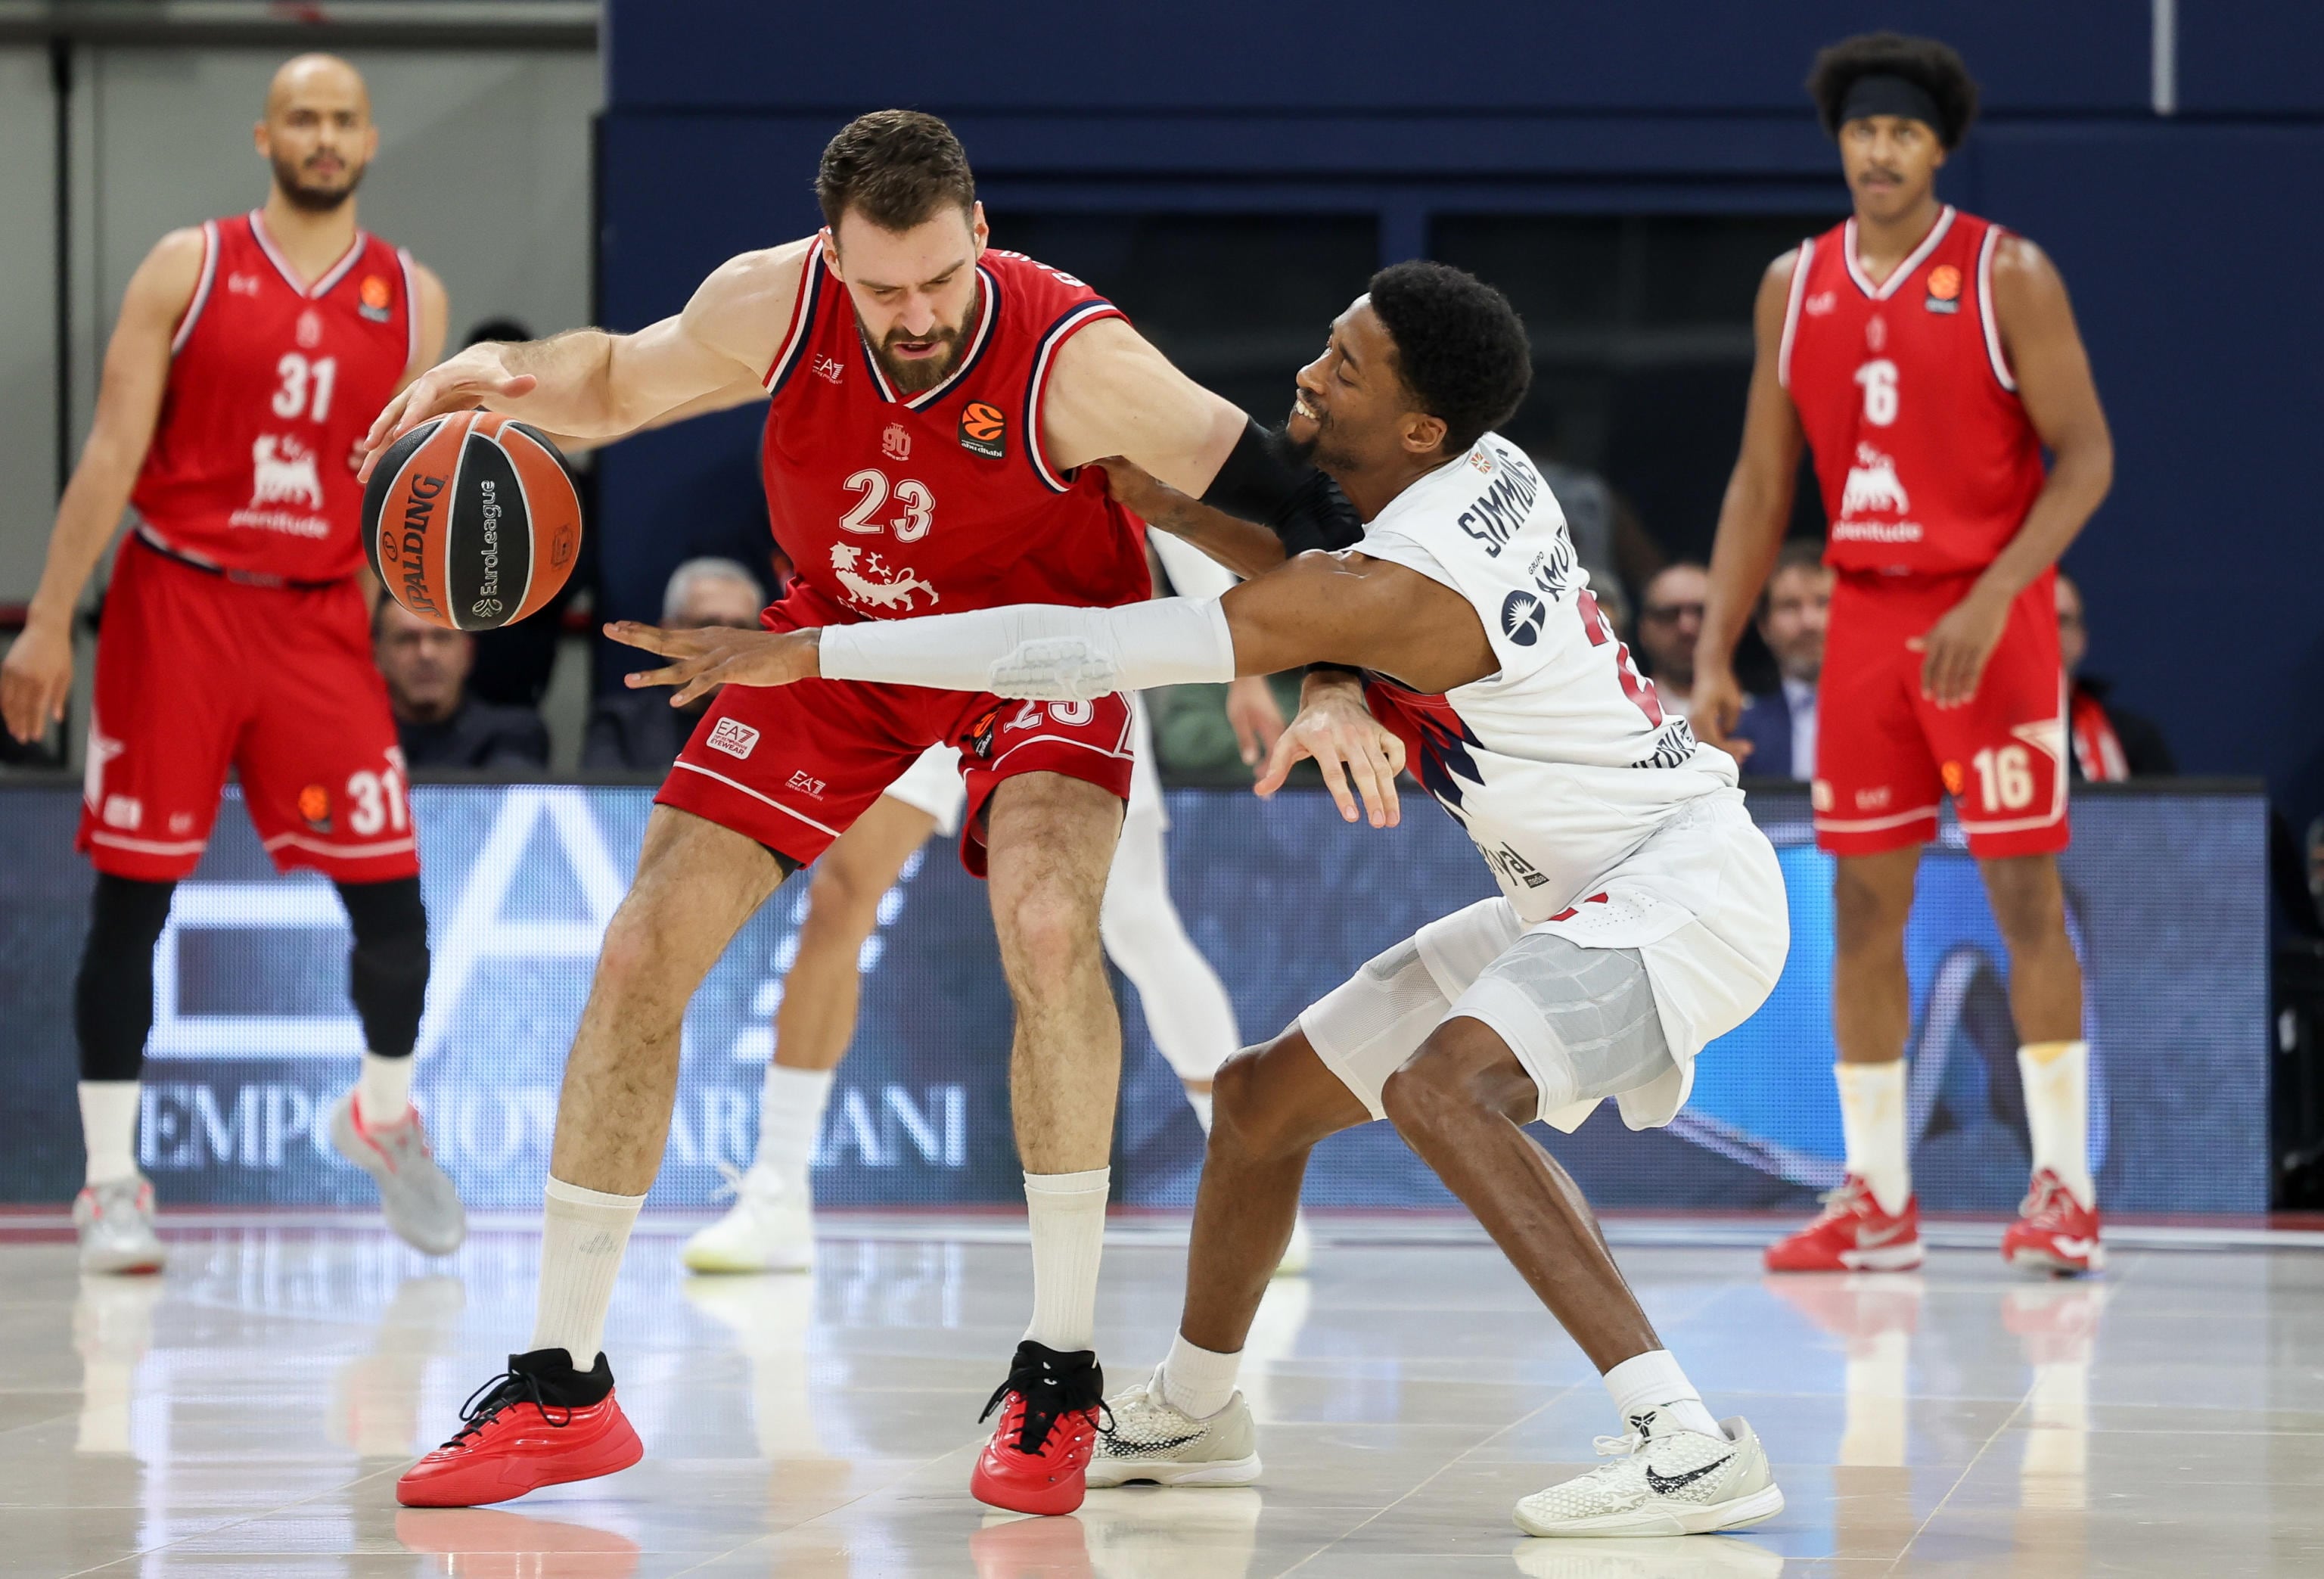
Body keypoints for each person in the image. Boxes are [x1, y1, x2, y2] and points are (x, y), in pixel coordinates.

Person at [614, 261, 1795, 1540]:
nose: (1308, 371)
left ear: (1417, 427)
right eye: (1327, 340)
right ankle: (1196, 1405)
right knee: (1251, 1103)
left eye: (1345, 367)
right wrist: (1176, 507)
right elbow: (1311, 560)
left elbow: (1080, 648)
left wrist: (817, 649)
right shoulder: (1469, 468)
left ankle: (1681, 1438)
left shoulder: (1405, 585)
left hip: (1681, 887)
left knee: (1440, 1087)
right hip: (1576, 891)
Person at [373, 110, 1365, 1515]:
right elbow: (615, 381)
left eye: (940, 281)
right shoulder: (773, 301)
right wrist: (508, 378)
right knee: (642, 945)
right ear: (832, 254)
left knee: (1046, 921)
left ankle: (1060, 1372)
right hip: (836, 643)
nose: (912, 316)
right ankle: (560, 1382)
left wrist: (1330, 667)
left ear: (979, 232)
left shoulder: (1075, 360)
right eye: (880, 288)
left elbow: (1296, 501)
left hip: (1043, 646)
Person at [0, 55, 464, 1274]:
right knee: (133, 900)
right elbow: (110, 449)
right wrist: (50, 618)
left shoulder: (415, 298)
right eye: (302, 117)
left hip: (316, 617)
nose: (322, 136)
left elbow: (399, 491)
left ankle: (382, 1112)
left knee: (393, 894)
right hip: (176, 604)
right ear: (265, 134)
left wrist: (368, 602)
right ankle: (108, 1181)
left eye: (342, 119)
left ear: (370, 137)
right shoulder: (185, 265)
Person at [1691, 33, 2114, 1274]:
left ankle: (2062, 1187)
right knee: (1862, 903)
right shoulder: (1793, 283)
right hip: (1867, 617)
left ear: (1936, 151)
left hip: (1988, 613)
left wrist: (1996, 594)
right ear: (1840, 145)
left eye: (1904, 134)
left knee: (2022, 897)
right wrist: (1718, 647)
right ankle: (1874, 1195)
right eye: (1863, 131)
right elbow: (1762, 480)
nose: (1879, 151)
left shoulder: (2006, 272)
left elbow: (2084, 458)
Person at [678, 529, 1310, 1278]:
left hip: (1062, 649)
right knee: (840, 897)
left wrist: (1245, 663)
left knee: (1138, 922)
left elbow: (1165, 496)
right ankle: (778, 1194)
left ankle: (1247, 1175)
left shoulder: (1083, 409)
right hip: (922, 645)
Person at [582, 557, 766, 770]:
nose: (724, 647)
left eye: (741, 630)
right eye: (707, 628)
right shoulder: (621, 726)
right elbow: (606, 801)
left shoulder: (788, 732)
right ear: (667, 636)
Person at [374, 598, 549, 769]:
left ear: (468, 652)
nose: (426, 654)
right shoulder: (358, 740)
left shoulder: (512, 735)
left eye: (441, 637)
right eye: (407, 639)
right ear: (377, 656)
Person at [1728, 541, 1835, 779]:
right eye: (1790, 606)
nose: (1809, 622)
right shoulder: (1739, 731)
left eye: (1824, 602)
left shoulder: (1896, 718)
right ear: (1764, 628)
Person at [2055, 572, 2173, 779]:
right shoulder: (1985, 734)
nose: (2048, 632)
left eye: (2061, 621)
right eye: (2037, 622)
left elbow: (2164, 811)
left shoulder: (2135, 739)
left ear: (2082, 637)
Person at [1633, 562, 1709, 720]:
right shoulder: (1621, 718)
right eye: (1668, 615)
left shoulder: (1757, 714)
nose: (1687, 628)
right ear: (1642, 631)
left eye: (1702, 612)